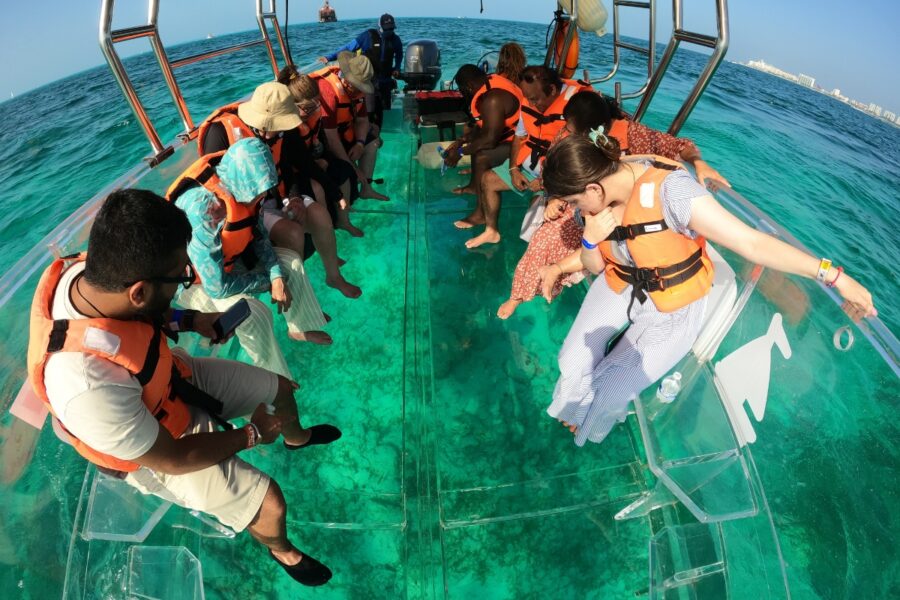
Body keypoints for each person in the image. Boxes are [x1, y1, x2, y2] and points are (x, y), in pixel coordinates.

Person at [26, 189, 343, 587]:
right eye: (180, 275)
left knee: (279, 388)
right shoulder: (86, 386)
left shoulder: (97, 274)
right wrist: (252, 435)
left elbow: (138, 321)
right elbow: (173, 458)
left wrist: (193, 320)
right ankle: (281, 549)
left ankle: (295, 438)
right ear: (139, 291)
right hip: (155, 449)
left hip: (167, 378)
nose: (186, 281)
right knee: (270, 504)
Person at [539, 133, 876, 447]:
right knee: (572, 359)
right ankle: (575, 413)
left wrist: (834, 276)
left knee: (610, 392)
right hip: (621, 279)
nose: (575, 209)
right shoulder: (595, 200)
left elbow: (752, 243)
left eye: (573, 200)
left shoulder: (672, 192)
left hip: (673, 303)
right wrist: (589, 239)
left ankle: (591, 429)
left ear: (595, 189)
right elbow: (596, 266)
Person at [498, 90, 729, 319]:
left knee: (597, 243)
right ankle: (520, 293)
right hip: (582, 202)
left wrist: (699, 163)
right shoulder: (568, 137)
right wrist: (556, 198)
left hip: (618, 212)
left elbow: (677, 146)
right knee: (546, 236)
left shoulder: (633, 133)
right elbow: (562, 175)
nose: (565, 130)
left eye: (569, 126)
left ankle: (553, 277)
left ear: (587, 130)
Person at [171, 138, 332, 377]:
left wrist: (276, 275)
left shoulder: (247, 190)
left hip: (231, 261)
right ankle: (275, 377)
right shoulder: (204, 211)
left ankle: (299, 326)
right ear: (238, 183)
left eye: (263, 192)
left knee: (291, 263)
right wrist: (267, 281)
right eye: (256, 194)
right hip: (197, 282)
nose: (261, 198)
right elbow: (216, 288)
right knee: (253, 313)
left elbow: (258, 236)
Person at [198, 81, 362, 299]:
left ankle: (333, 276)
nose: (271, 134)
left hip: (277, 196)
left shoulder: (285, 132)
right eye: (270, 126)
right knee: (293, 234)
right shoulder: (220, 133)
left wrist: (293, 198)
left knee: (320, 215)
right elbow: (215, 188)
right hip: (244, 207)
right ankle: (297, 303)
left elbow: (291, 167)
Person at [475, 66, 591, 250]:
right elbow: (519, 137)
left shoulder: (576, 106)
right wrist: (513, 169)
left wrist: (545, 182)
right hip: (527, 169)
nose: (530, 103)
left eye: (535, 99)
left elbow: (578, 156)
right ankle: (491, 231)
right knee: (488, 180)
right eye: (527, 97)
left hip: (554, 179)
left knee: (537, 217)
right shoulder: (529, 102)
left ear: (552, 90)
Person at [278, 66, 363, 237]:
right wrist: (336, 193)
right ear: (292, 106)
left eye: (318, 104)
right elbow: (304, 164)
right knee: (317, 188)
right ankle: (326, 232)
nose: (314, 111)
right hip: (294, 175)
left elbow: (321, 142)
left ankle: (343, 220)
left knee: (344, 169)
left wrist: (324, 158)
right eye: (308, 108)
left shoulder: (311, 116)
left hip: (310, 162)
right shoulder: (289, 128)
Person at [444, 64, 524, 247]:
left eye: (463, 91)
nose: (465, 95)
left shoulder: (492, 99)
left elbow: (489, 140)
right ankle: (474, 186)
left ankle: (481, 214)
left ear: (469, 87)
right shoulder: (488, 85)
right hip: (509, 139)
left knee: (482, 155)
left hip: (520, 144)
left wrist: (460, 153)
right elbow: (484, 129)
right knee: (476, 147)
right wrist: (461, 141)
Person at [311, 52, 389, 202]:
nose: (362, 91)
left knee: (373, 142)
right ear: (347, 81)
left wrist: (360, 144)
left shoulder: (356, 92)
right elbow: (331, 138)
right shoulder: (328, 91)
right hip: (325, 139)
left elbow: (362, 120)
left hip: (346, 131)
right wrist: (354, 168)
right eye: (359, 87)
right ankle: (343, 204)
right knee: (345, 168)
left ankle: (366, 189)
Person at [318, 14, 403, 129]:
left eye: (392, 28)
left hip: (385, 80)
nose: (389, 31)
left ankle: (379, 133)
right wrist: (329, 57)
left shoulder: (396, 40)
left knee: (384, 110)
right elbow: (348, 47)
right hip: (368, 80)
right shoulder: (368, 36)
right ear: (380, 27)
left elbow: (399, 55)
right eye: (386, 29)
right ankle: (367, 133)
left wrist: (397, 67)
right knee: (369, 111)